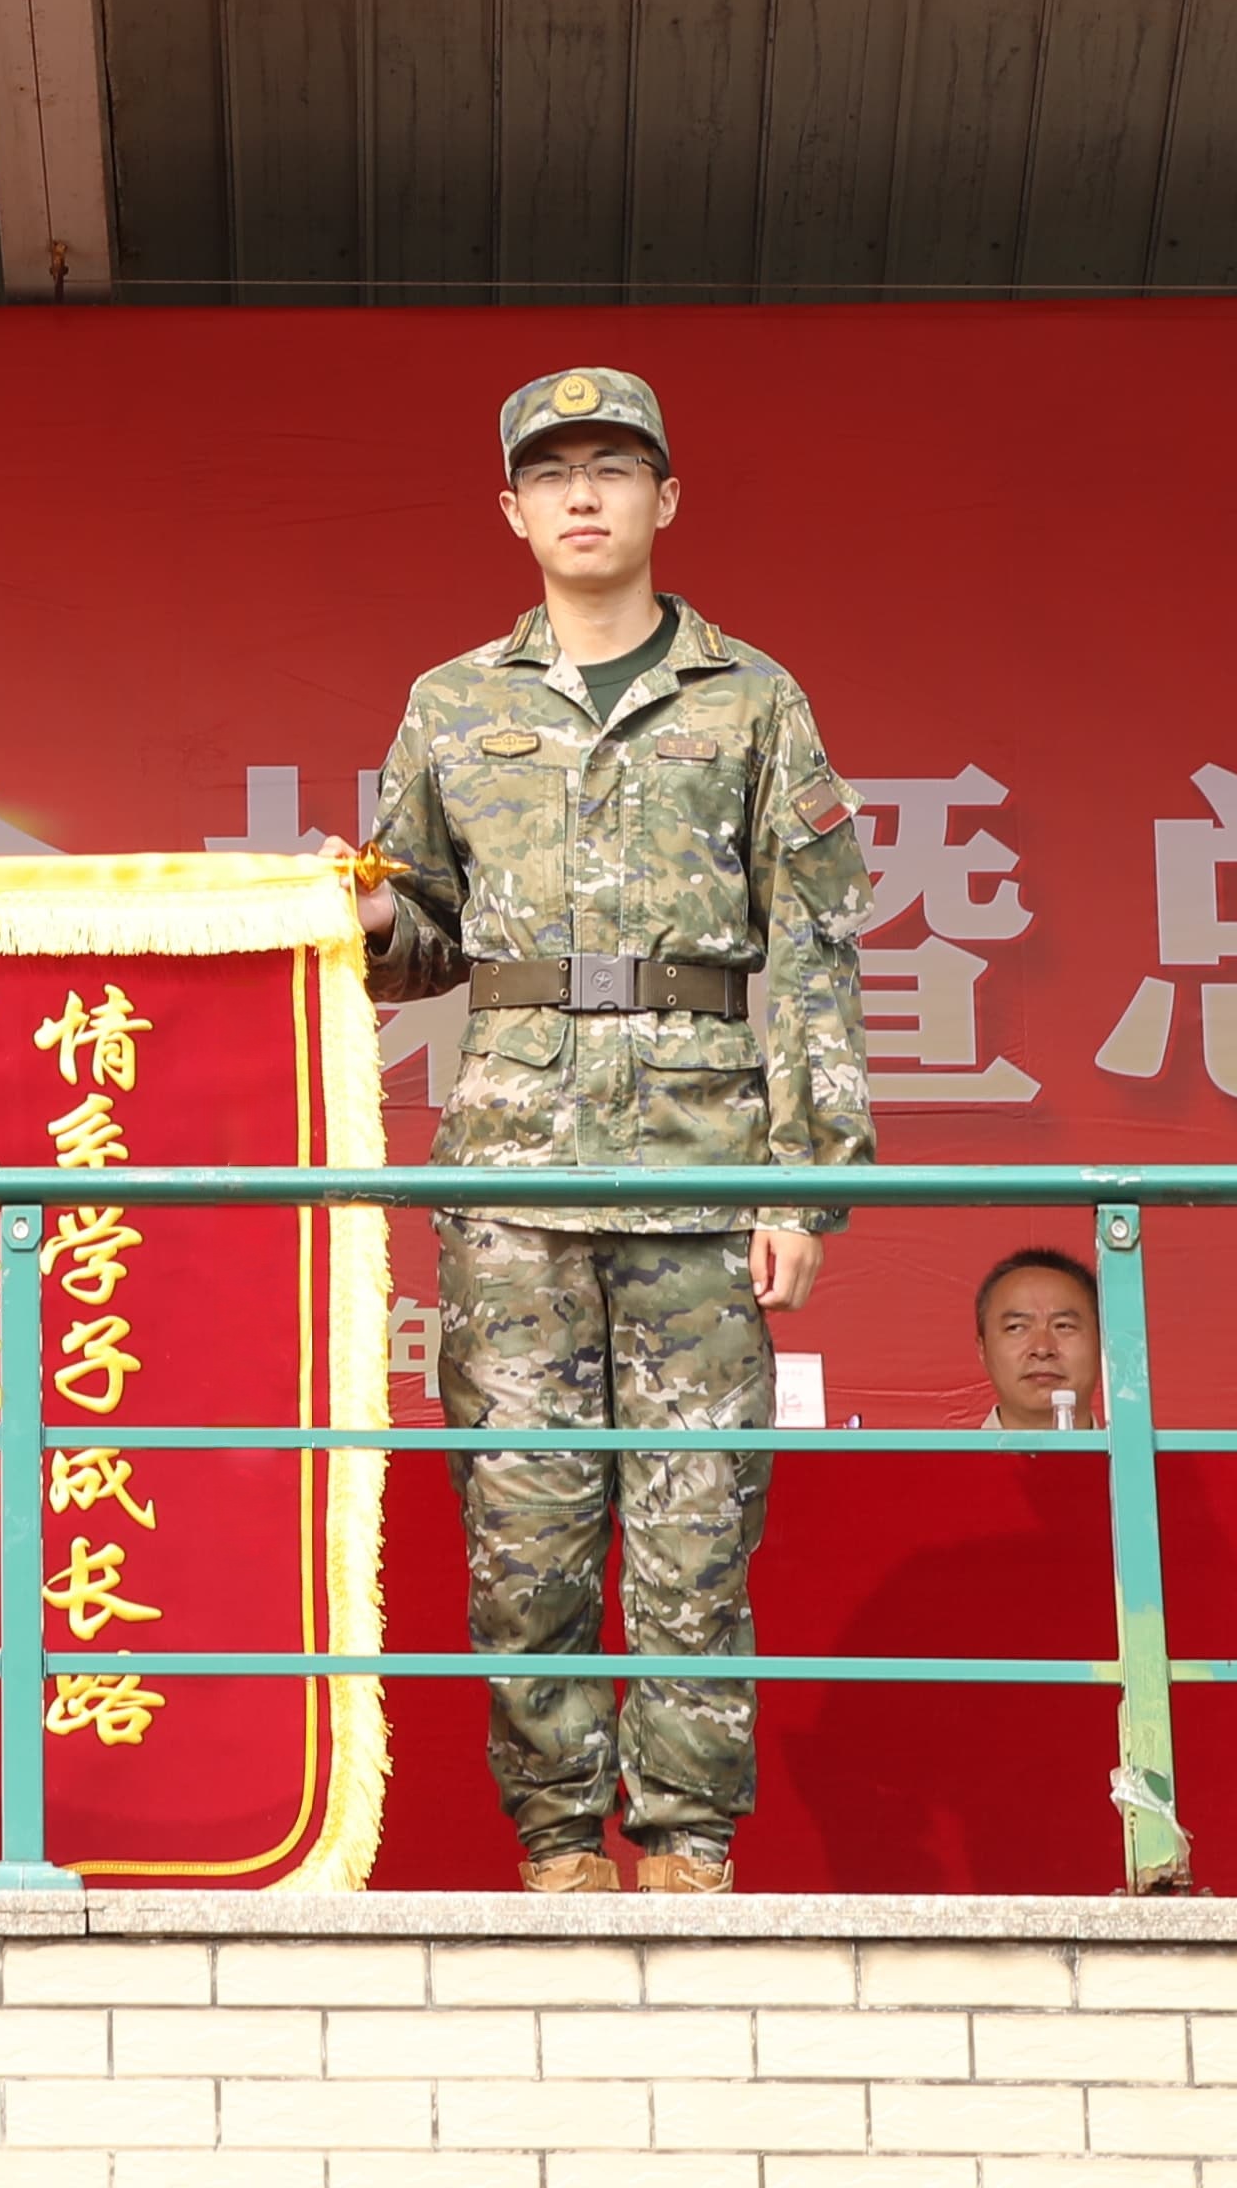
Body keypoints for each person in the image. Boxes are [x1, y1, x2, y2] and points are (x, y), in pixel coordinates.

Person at [357, 363, 877, 1898]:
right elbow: (421, 941)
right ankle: (556, 1844)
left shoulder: (753, 698)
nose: (583, 495)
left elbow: (818, 951)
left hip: (701, 1177)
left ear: (666, 497)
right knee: (523, 1538)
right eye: (553, 472)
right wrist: (371, 918)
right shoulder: (452, 705)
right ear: (511, 510)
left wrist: (806, 1187)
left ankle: (689, 1846)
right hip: (511, 1181)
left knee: (696, 1534)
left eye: (613, 468)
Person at [969, 1245, 1107, 1432]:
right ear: (982, 1350)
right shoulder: (941, 1453)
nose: (1042, 1349)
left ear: (1102, 1344)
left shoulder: (1141, 1452)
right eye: (1016, 1327)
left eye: (1063, 1326)